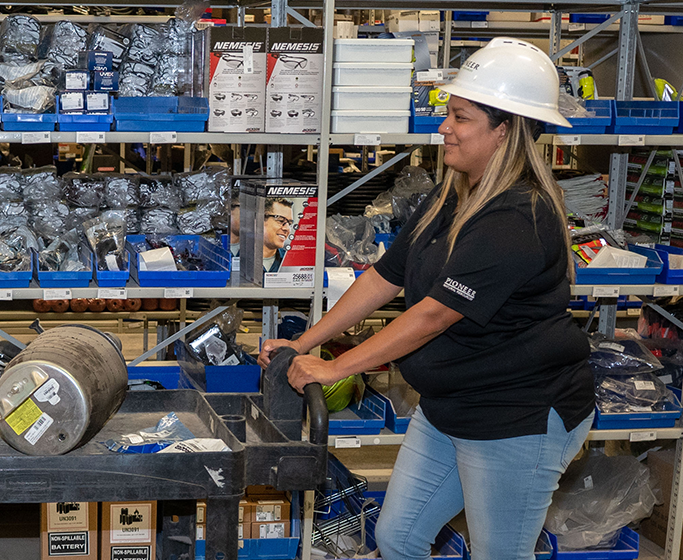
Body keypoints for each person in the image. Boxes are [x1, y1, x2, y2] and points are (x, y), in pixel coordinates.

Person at [257, 38, 592, 560]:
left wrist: (335, 368)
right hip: (450, 404)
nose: (443, 128)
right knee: (398, 537)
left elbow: (433, 314)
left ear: (503, 130)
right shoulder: (453, 191)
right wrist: (305, 342)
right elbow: (383, 277)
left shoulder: (517, 217)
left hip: (515, 414)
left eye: (460, 117)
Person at [231, 198, 295, 273]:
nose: (287, 228)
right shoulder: (237, 258)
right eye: (281, 221)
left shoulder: (291, 261)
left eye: (289, 223)